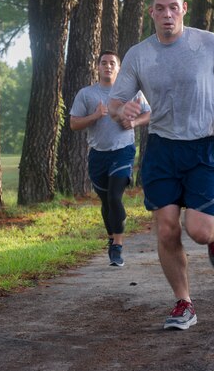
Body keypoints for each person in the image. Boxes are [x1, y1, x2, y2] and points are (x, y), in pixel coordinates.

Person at [108, 0, 214, 330]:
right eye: (160, 8)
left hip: (205, 145)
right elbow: (115, 101)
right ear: (151, 12)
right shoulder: (139, 54)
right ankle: (184, 303)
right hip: (162, 148)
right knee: (167, 228)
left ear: (183, 9)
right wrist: (120, 112)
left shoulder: (209, 43)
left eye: (174, 7)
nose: (167, 14)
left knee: (198, 230)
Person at [70, 50, 150, 267]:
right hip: (98, 154)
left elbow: (148, 113)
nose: (108, 66)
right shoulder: (86, 94)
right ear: (97, 67)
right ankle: (112, 236)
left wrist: (133, 123)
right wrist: (95, 116)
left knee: (115, 197)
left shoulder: (131, 93)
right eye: (103, 63)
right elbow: (74, 123)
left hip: (123, 150)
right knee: (106, 201)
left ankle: (117, 246)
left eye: (112, 63)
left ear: (119, 68)